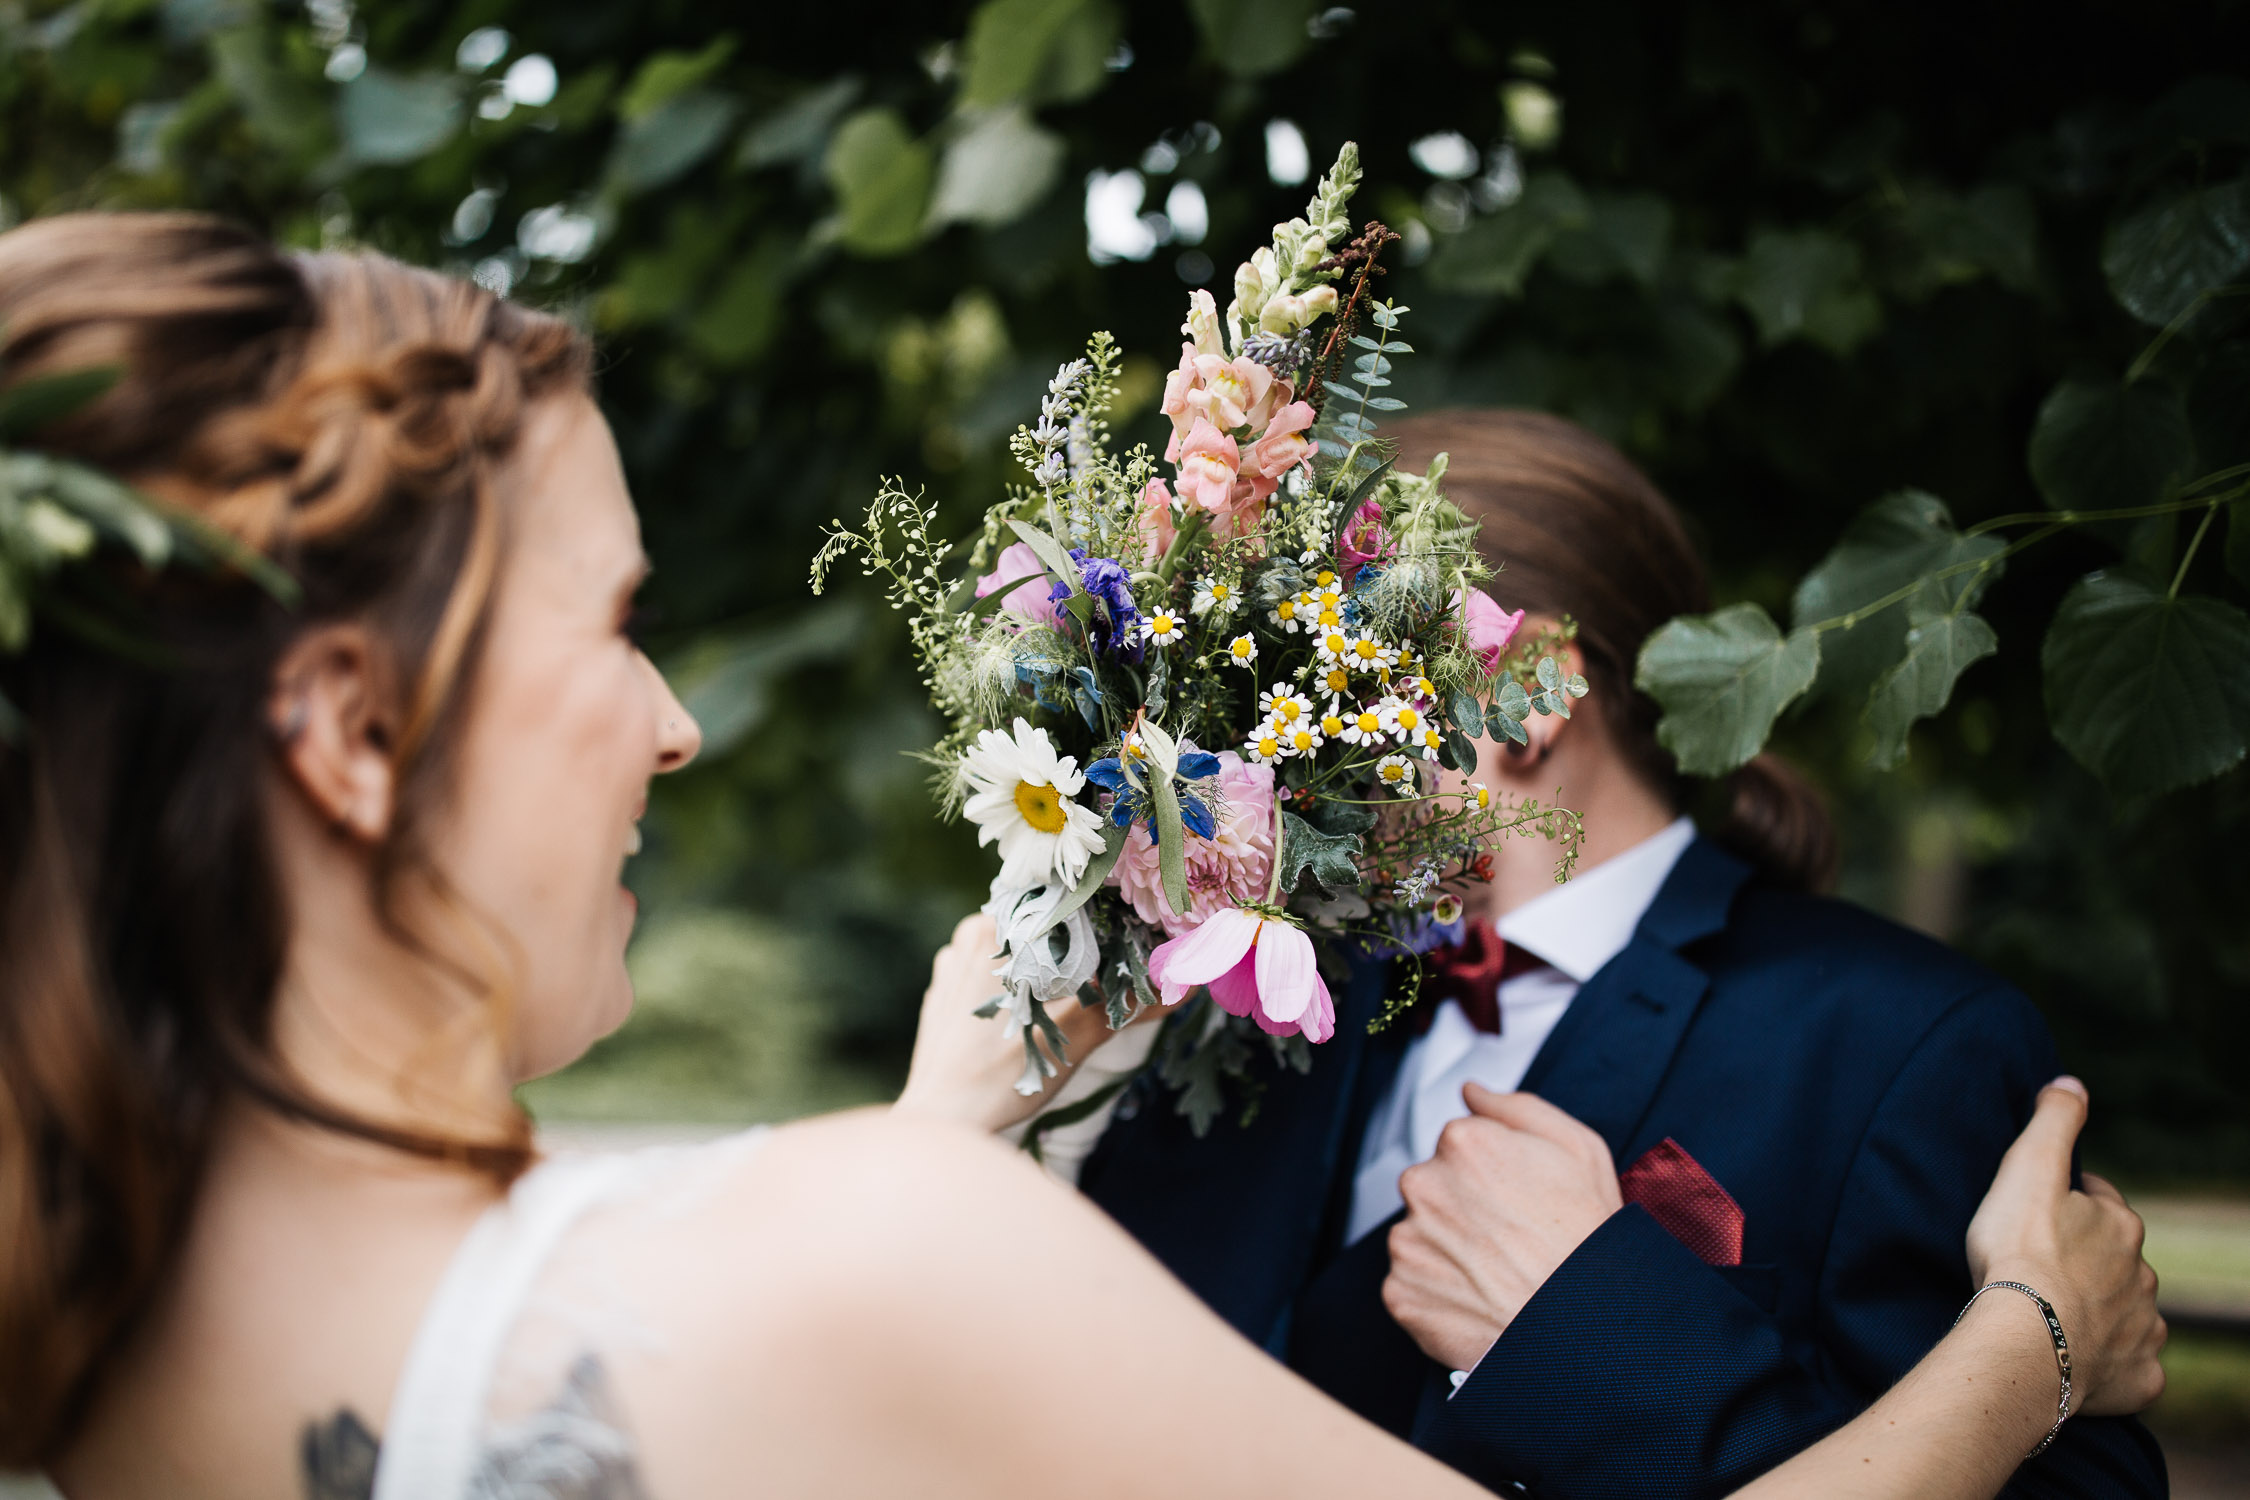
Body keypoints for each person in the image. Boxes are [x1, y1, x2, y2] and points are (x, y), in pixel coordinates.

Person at [0, 215, 2159, 1500]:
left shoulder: (115, 1340)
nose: (675, 718)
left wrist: (945, 1133)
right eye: (615, 618)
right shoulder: (869, 1244)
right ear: (355, 740)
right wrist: (2027, 1345)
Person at [1072, 410, 2169, 1497]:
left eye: (1327, 663)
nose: (1271, 728)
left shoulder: (1902, 1040)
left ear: (1520, 690)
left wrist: (1586, 1340)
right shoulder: (1252, 1007)